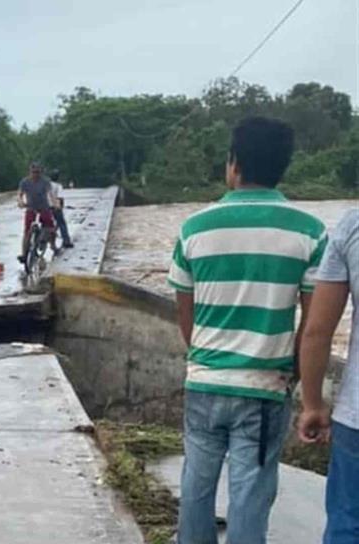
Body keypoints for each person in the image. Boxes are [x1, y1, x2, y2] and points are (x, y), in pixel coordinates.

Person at [168, 117, 326, 544]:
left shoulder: (194, 228)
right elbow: (314, 326)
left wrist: (205, 355)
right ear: (283, 167)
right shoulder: (310, 231)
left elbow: (187, 312)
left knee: (195, 489)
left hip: (205, 380)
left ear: (233, 165)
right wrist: (301, 385)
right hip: (265, 388)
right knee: (250, 496)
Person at [297, 209, 359, 543]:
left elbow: (317, 332)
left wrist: (312, 404)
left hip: (357, 417)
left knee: (349, 523)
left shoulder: (352, 226)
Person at [17, 161, 55, 263]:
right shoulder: (24, 182)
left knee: (50, 226)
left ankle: (51, 244)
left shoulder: (45, 181)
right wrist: (20, 202)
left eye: (37, 172)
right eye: (33, 172)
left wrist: (55, 203)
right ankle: (24, 254)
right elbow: (20, 194)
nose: (35, 175)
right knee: (27, 231)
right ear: (30, 172)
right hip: (31, 208)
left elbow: (51, 194)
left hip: (44, 208)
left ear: (41, 172)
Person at [48, 169, 73, 249]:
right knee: (62, 223)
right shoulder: (58, 186)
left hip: (45, 207)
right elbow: (60, 198)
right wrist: (60, 207)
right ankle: (66, 241)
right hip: (54, 207)